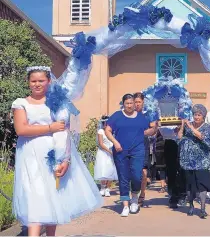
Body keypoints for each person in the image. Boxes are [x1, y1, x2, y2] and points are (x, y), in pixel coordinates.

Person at [12, 66, 102, 237]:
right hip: (30, 155)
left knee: (53, 196)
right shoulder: (20, 103)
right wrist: (49, 127)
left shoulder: (57, 103)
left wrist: (66, 160)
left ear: (49, 81)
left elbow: (65, 132)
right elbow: (21, 129)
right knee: (35, 196)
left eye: (41, 80)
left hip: (52, 154)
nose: (37, 84)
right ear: (28, 82)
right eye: (33, 81)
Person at [105, 94, 155, 217]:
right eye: (127, 103)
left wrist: (155, 127)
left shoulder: (142, 118)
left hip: (137, 151)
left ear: (134, 103)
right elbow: (107, 130)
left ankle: (134, 199)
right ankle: (126, 205)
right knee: (123, 177)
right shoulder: (117, 116)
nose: (129, 105)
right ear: (123, 104)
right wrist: (115, 142)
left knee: (137, 176)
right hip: (120, 151)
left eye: (131, 103)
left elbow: (151, 130)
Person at [178, 104, 210, 219]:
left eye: (199, 115)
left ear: (203, 116)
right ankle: (191, 206)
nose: (196, 117)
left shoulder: (207, 127)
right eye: (195, 115)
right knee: (189, 186)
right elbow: (179, 138)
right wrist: (183, 125)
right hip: (188, 161)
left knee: (202, 185)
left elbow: (202, 137)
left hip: (202, 161)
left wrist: (191, 127)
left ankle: (203, 208)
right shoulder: (188, 126)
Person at [133, 92, 158, 206]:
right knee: (132, 172)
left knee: (143, 171)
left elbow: (153, 131)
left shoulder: (148, 115)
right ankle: (134, 193)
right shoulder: (129, 115)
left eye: (139, 102)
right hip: (131, 146)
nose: (137, 104)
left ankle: (142, 194)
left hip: (143, 145)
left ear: (143, 102)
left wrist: (143, 132)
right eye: (135, 102)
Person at [94, 115, 118, 197]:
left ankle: (108, 188)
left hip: (111, 151)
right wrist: (109, 151)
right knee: (103, 169)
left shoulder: (112, 131)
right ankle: (102, 187)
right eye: (104, 123)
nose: (105, 124)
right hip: (103, 152)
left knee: (111, 170)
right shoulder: (100, 131)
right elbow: (101, 144)